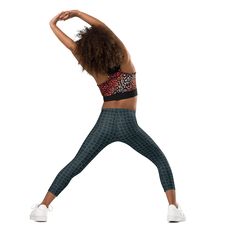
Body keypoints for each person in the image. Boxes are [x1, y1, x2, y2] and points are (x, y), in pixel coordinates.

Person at [30, 9, 185, 223]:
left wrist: (53, 26)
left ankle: (42, 207)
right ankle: (172, 208)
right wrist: (77, 13)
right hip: (129, 124)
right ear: (108, 42)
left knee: (76, 164)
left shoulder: (94, 67)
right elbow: (103, 28)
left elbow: (72, 47)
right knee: (159, 160)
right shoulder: (124, 58)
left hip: (105, 122)